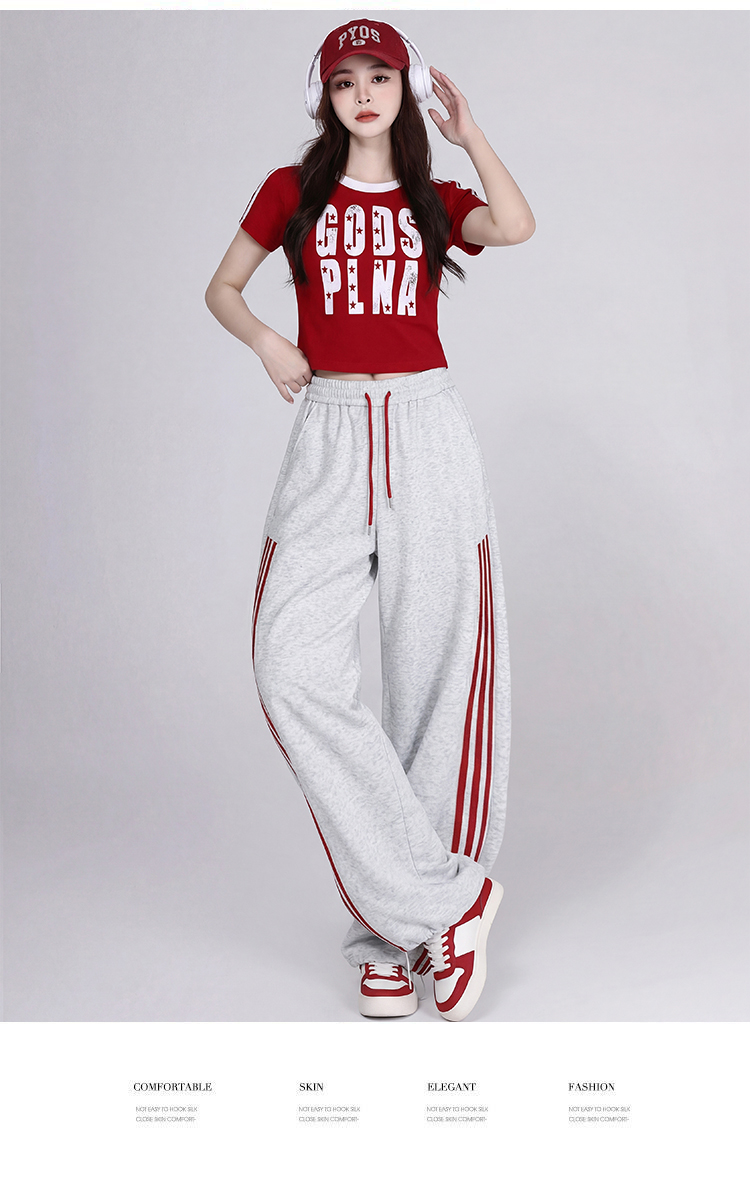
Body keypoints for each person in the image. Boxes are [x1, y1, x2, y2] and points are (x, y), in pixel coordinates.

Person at [205, 19, 535, 1021]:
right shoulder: (291, 191)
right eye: (344, 78)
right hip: (332, 431)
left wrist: (472, 133)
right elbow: (221, 288)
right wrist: (268, 341)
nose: (362, 93)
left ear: (406, 87)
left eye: (380, 75)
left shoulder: (434, 197)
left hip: (428, 431)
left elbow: (516, 227)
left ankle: (391, 938)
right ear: (324, 95)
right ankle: (446, 902)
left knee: (434, 679)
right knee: (291, 665)